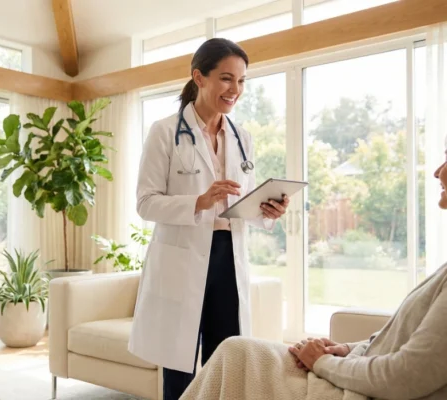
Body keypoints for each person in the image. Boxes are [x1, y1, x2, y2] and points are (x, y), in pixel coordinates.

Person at [178, 150, 447, 399]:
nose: (437, 172)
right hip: (357, 366)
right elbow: (398, 340)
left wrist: (322, 362)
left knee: (236, 358)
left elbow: (407, 376)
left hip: (362, 390)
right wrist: (346, 349)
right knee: (235, 351)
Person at [127, 38, 290, 400]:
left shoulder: (242, 137)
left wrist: (267, 212)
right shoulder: (166, 132)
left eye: (242, 81)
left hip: (228, 256)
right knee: (180, 366)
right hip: (183, 258)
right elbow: (145, 203)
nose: (235, 90)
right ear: (199, 78)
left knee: (227, 359)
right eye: (227, 79)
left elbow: (242, 202)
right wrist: (198, 201)